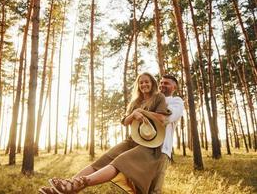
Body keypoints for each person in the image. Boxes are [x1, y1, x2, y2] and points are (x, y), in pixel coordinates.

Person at [39, 73, 184, 194]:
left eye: (167, 83)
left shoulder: (175, 101)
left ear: (174, 87)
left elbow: (165, 118)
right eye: (162, 82)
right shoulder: (143, 100)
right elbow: (126, 120)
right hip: (137, 141)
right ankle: (70, 185)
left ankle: (74, 185)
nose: (163, 85)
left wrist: (140, 112)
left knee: (152, 189)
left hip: (160, 149)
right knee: (105, 161)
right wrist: (135, 113)